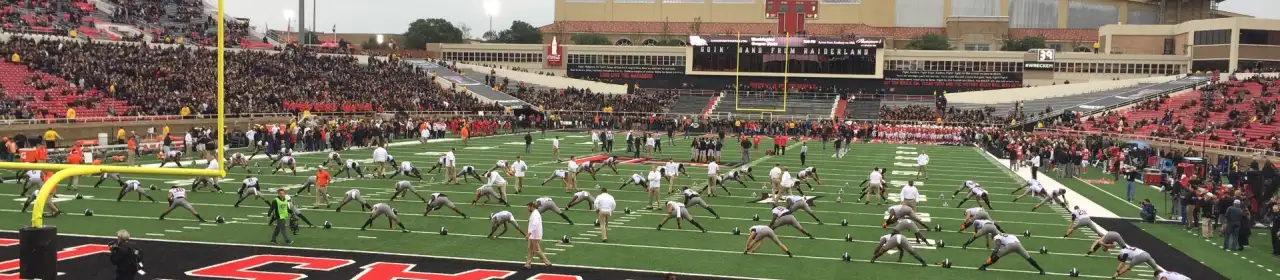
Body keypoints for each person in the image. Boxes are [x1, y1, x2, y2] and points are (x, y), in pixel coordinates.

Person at [976, 233, 1046, 274]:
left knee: (997, 256)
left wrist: (991, 257)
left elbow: (997, 247)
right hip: (1018, 244)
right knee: (1028, 258)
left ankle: (983, 266)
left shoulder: (996, 237)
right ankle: (1041, 270)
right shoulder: (1007, 235)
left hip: (1010, 245)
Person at [524, 202, 551, 268]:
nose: (528, 208)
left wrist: (528, 234)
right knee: (529, 249)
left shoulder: (535, 214)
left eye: (528, 207)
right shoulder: (534, 213)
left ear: (532, 207)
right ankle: (528, 263)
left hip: (535, 235)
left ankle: (547, 262)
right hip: (533, 235)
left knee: (536, 250)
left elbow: (535, 225)